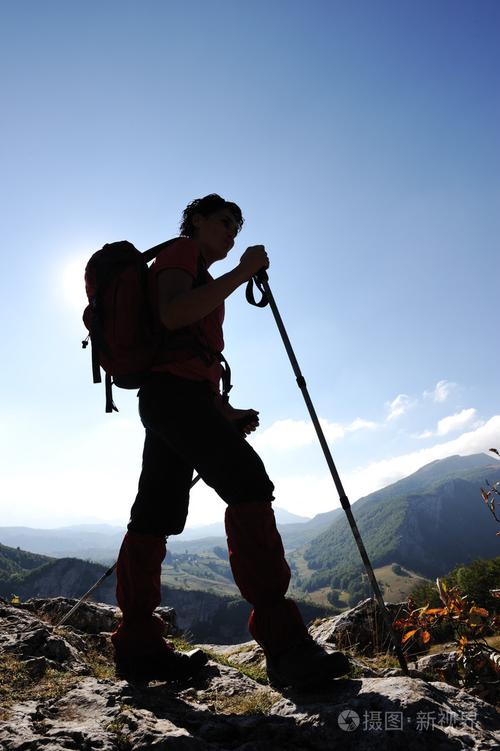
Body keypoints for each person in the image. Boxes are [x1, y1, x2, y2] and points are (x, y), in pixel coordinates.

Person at [111, 194, 350, 689]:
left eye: (236, 229)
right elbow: (175, 314)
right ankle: (285, 648)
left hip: (173, 399)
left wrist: (225, 411)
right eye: (224, 223)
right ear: (195, 221)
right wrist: (242, 272)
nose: (231, 233)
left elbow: (186, 356)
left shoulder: (197, 268)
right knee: (248, 484)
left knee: (154, 513)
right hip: (175, 401)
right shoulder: (181, 253)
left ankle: (138, 647)